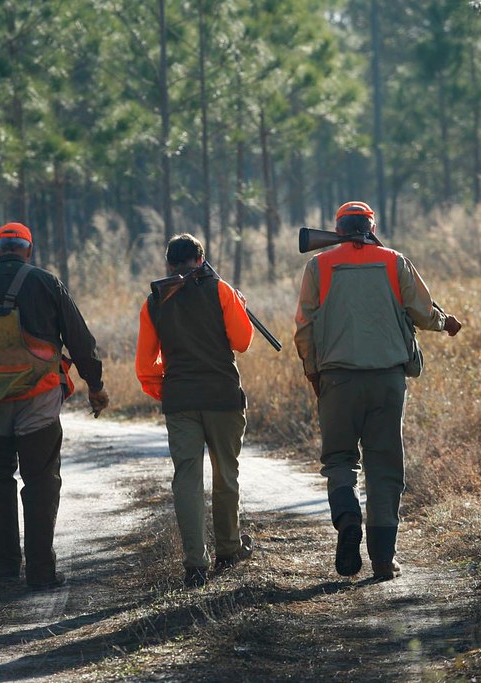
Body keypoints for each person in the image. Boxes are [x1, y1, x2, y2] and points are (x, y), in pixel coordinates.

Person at [293, 201, 462, 581]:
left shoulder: (318, 266)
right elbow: (422, 312)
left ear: (337, 231)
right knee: (384, 467)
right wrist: (445, 323)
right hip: (387, 380)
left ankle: (348, 518)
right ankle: (384, 561)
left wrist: (314, 373)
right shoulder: (394, 261)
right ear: (371, 228)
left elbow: (304, 328)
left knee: (340, 460)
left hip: (337, 380)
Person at [0, 222, 109, 591]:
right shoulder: (47, 283)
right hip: (39, 401)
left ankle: (4, 570)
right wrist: (94, 384)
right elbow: (80, 341)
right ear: (28, 251)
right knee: (40, 482)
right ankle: (40, 572)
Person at [135, 233, 255, 588]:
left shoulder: (155, 300)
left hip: (181, 401)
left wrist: (168, 391)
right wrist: (238, 304)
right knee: (226, 474)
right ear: (201, 261)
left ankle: (196, 565)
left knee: (187, 480)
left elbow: (145, 365)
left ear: (168, 264)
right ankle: (229, 550)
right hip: (223, 397)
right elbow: (242, 341)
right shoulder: (221, 291)